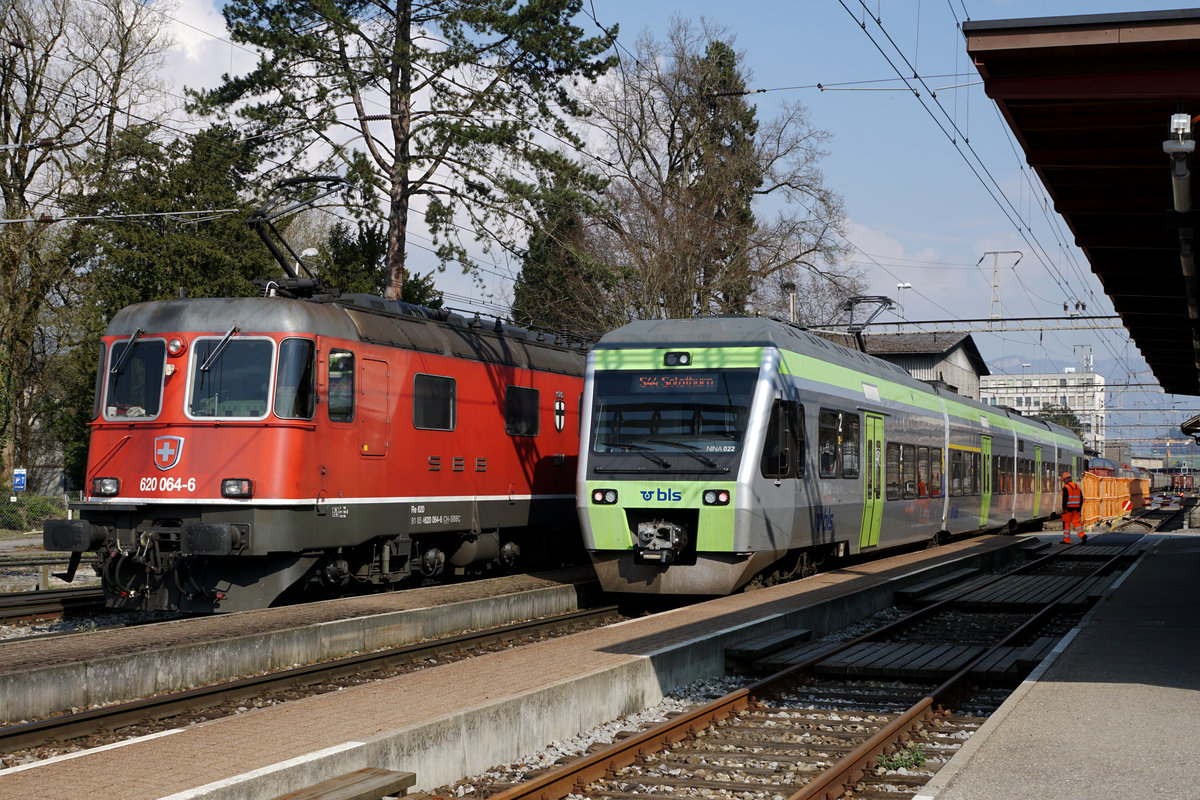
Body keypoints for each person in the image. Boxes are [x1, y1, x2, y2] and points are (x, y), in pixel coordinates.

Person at [1061, 472, 1085, 544]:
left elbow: (1065, 499)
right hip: (1076, 509)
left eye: (1064, 480)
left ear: (1065, 480)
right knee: (1077, 523)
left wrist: (1064, 508)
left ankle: (1067, 540)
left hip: (1068, 509)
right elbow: (1081, 498)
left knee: (1066, 524)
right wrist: (1079, 508)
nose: (1064, 481)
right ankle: (1082, 536)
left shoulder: (1066, 488)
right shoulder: (1077, 486)